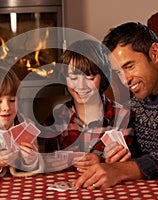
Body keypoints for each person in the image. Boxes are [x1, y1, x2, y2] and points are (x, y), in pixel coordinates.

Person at [73, 22, 158, 189]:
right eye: (119, 72)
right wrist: (108, 158)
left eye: (130, 66)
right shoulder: (131, 98)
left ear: (155, 53)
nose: (125, 79)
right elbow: (136, 153)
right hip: (155, 188)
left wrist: (118, 170)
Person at [42, 39, 133, 173]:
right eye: (73, 78)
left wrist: (102, 162)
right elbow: (47, 164)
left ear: (102, 76)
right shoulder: (56, 118)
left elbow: (128, 162)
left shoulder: (123, 116)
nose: (81, 86)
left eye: (90, 78)